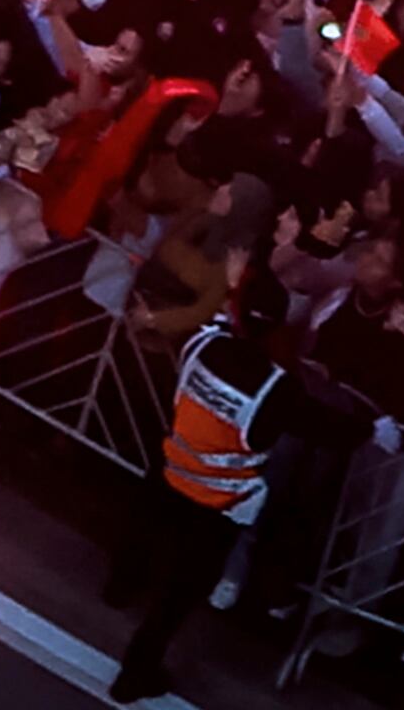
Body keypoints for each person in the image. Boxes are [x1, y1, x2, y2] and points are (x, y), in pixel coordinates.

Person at [107, 279, 295, 702]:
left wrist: (229, 288)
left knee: (140, 535)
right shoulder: (275, 386)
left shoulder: (203, 345)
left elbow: (211, 326)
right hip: (214, 506)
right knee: (177, 595)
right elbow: (313, 422)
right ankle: (133, 675)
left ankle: (119, 587)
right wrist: (371, 428)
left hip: (171, 470)